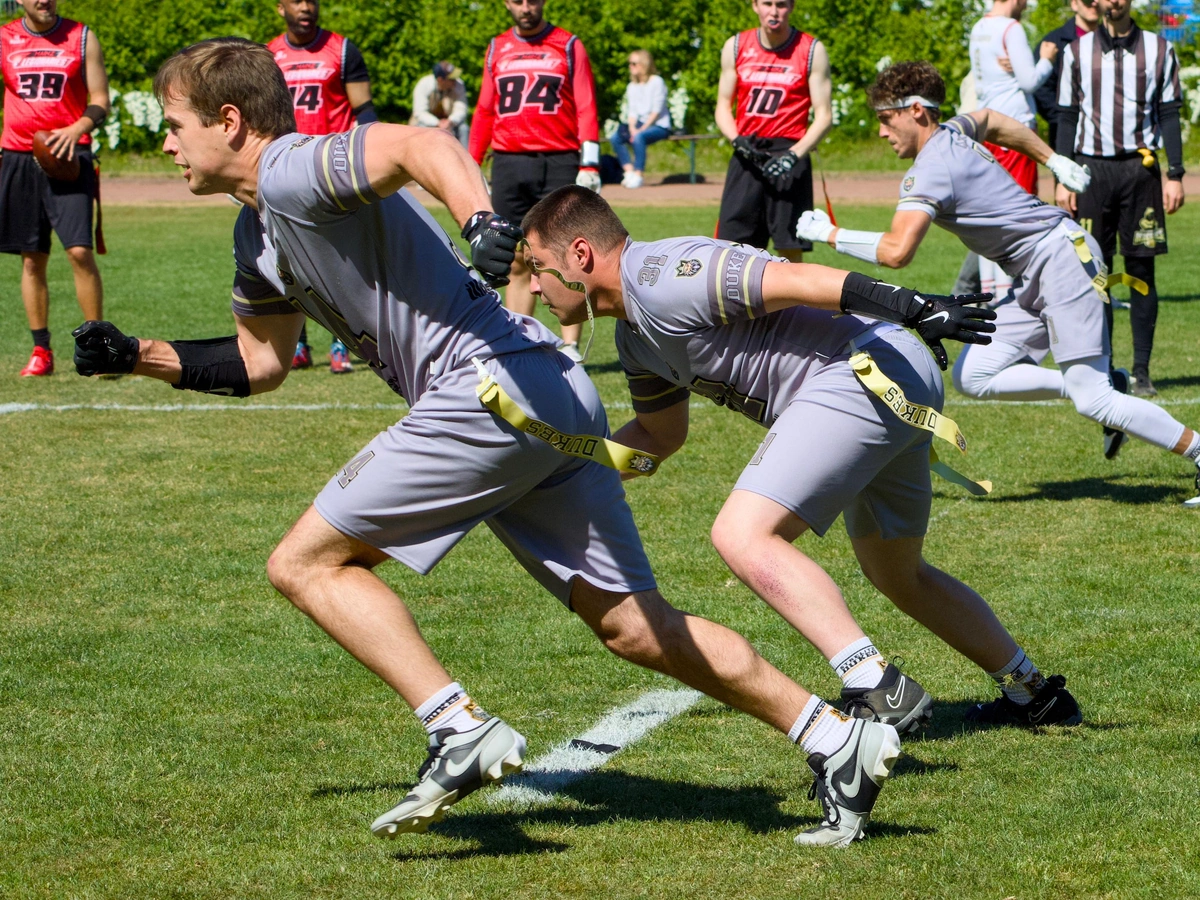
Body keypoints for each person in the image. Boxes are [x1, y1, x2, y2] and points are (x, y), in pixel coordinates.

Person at [73, 37, 908, 851]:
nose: (166, 142)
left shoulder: (291, 168)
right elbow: (260, 362)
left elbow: (421, 144)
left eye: (175, 124)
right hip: (547, 388)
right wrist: (137, 357)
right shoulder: (254, 235)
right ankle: (835, 738)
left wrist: (479, 217)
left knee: (304, 564)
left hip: (484, 389)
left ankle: (454, 726)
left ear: (229, 120)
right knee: (632, 627)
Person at [522, 186, 1089, 746]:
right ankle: (1034, 692)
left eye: (538, 266)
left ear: (580, 254)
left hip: (865, 370)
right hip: (886, 378)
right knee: (897, 573)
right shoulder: (634, 336)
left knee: (743, 535)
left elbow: (800, 279)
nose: (533, 285)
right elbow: (656, 436)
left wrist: (916, 306)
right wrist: (557, 477)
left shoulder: (661, 275)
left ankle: (876, 685)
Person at [796, 61, 1200, 507]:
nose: (880, 132)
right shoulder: (953, 129)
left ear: (915, 111)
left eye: (885, 119)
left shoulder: (930, 168)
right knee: (974, 374)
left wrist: (829, 234)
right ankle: (1105, 380)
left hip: (1061, 259)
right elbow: (991, 119)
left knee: (1095, 401)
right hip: (1036, 268)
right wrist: (1053, 159)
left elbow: (897, 251)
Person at [1056, 0, 1186, 398]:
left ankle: (1143, 372)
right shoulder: (1075, 51)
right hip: (1091, 173)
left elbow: (1168, 112)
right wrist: (1062, 177)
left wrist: (1175, 173)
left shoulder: (1160, 49)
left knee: (1142, 272)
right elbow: (1066, 115)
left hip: (1140, 172)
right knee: (1096, 274)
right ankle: (1105, 369)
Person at [469, 0, 601, 363]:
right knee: (513, 256)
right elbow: (484, 108)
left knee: (565, 254)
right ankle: (521, 341)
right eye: (517, 0)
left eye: (532, 0)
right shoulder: (497, 47)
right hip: (510, 161)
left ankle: (571, 346)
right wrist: (471, 160)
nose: (526, 7)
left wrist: (590, 162)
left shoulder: (569, 45)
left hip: (559, 158)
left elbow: (587, 104)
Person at [0, 0, 109, 377]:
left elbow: (100, 100)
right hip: (17, 157)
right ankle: (41, 350)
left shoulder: (81, 37)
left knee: (80, 252)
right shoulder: (4, 38)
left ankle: (97, 347)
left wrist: (77, 129)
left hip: (69, 157)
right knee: (32, 257)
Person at [268, 0, 377, 375]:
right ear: (280, 7)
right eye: (296, 1)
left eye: (312, 1)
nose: (306, 7)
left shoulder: (343, 50)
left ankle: (342, 343)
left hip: (333, 167)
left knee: (343, 258)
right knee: (285, 259)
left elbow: (363, 109)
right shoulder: (268, 55)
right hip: (284, 167)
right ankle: (298, 346)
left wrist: (371, 153)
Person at [714, 0, 832, 262]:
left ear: (791, 7)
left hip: (790, 155)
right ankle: (738, 303)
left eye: (781, 4)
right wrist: (736, 139)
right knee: (731, 249)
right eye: (767, 3)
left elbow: (824, 116)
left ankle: (789, 304)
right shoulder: (735, 46)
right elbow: (722, 106)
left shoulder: (811, 49)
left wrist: (793, 155)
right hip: (747, 152)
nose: (774, 11)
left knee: (789, 249)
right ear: (755, 5)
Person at [968, 0, 1058, 302]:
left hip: (988, 128)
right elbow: (1029, 81)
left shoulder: (979, 26)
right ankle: (1014, 292)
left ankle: (992, 291)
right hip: (1015, 129)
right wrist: (1045, 58)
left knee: (989, 210)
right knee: (1018, 212)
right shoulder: (1011, 28)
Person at [1033, 0, 1100, 157]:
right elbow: (1041, 89)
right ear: (1074, 4)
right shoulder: (1054, 43)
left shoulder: (1113, 40)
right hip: (1065, 139)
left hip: (1105, 139)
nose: (1094, 4)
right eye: (1088, 1)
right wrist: (1064, 118)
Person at [612, 50, 671, 189]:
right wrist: (632, 128)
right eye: (630, 63)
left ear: (644, 64)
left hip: (659, 126)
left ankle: (638, 174)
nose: (630, 66)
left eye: (634, 63)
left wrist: (640, 130)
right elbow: (632, 112)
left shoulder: (657, 82)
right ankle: (629, 172)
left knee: (639, 138)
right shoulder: (631, 86)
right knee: (615, 138)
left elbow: (656, 111)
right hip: (639, 125)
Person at [410, 61, 469, 146]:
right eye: (451, 79)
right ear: (440, 80)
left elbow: (461, 109)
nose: (455, 81)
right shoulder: (424, 85)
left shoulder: (459, 85)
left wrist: (450, 121)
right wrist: (437, 123)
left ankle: (466, 158)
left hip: (450, 124)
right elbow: (419, 112)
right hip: (428, 124)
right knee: (420, 129)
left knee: (464, 129)